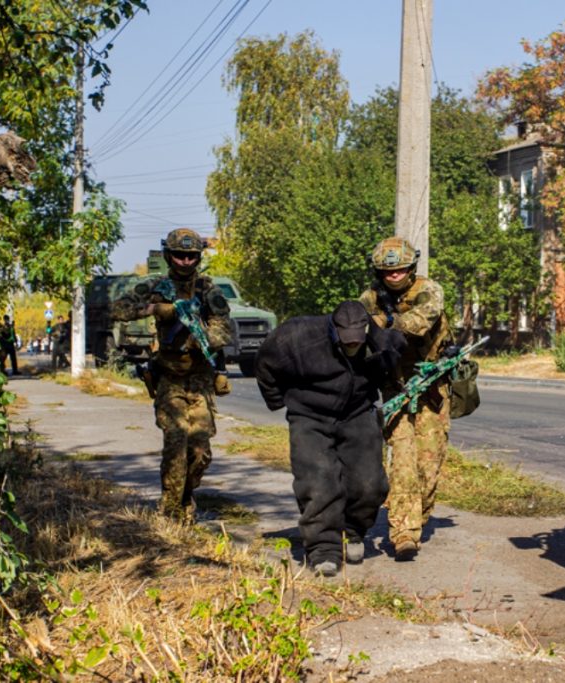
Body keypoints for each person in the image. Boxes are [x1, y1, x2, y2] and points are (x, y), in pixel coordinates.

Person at [255, 301, 406, 577]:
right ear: (334, 332)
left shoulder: (378, 338)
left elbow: (396, 355)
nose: (352, 347)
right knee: (319, 482)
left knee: (370, 483)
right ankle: (324, 548)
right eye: (346, 343)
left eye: (356, 343)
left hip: (357, 412)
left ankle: (353, 531)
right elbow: (265, 365)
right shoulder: (297, 336)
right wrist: (279, 402)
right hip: (309, 414)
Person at [111, 228, 233, 523]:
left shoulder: (208, 292)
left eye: (191, 256)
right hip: (169, 378)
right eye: (180, 255)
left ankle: (186, 493)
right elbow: (118, 309)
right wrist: (157, 308)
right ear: (169, 255)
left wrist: (202, 334)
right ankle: (172, 512)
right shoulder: (156, 285)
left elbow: (224, 329)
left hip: (200, 378)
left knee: (200, 450)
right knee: (176, 442)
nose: (185, 261)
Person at [359, 237, 452, 561]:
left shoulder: (429, 290)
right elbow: (357, 330)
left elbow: (419, 321)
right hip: (395, 387)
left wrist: (384, 325)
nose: (394, 275)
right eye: (387, 271)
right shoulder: (369, 298)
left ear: (411, 268)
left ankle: (418, 517)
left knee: (429, 466)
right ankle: (403, 533)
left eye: (400, 269)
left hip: (430, 387)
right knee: (403, 463)